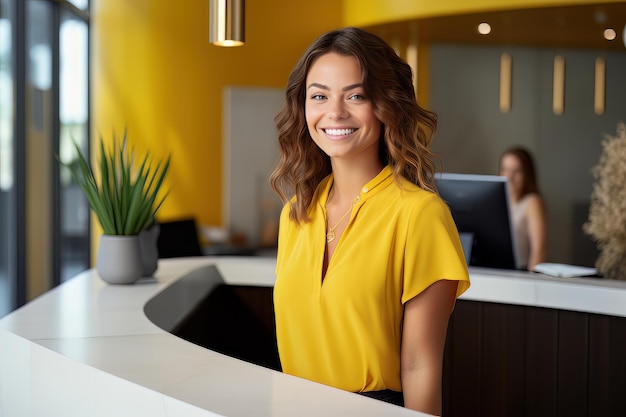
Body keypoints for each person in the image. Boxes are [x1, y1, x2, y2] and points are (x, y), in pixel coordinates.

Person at [269, 27, 470, 415]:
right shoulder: (295, 213)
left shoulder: (420, 215)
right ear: (304, 107)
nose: (335, 112)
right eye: (319, 96)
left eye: (356, 95)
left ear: (385, 105)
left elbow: (419, 365)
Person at [498, 146, 547, 270]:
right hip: (498, 271)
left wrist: (531, 282)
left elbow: (539, 250)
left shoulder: (532, 202)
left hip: (520, 272)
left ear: (527, 174)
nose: (510, 176)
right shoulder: (497, 202)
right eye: (506, 170)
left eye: (517, 171)